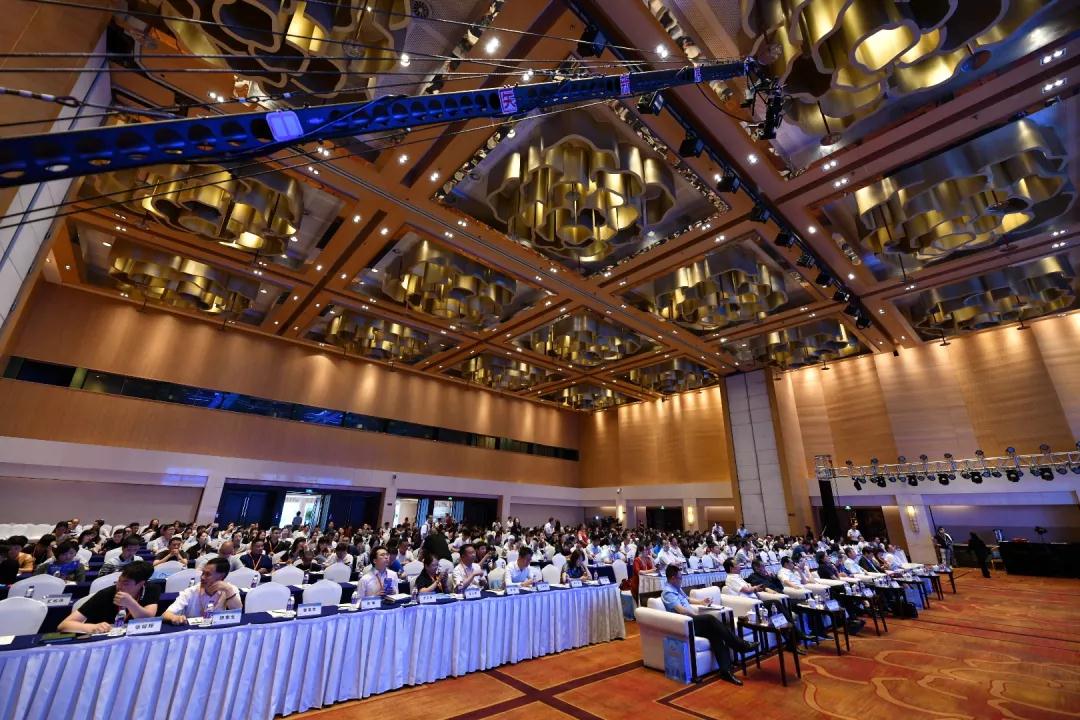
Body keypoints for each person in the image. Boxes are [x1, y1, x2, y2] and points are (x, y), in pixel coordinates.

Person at [660, 565, 755, 685]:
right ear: (673, 578)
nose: (681, 580)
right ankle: (739, 644)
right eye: (680, 578)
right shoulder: (668, 592)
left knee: (716, 634)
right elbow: (681, 610)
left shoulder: (676, 588)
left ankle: (726, 671)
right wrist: (695, 614)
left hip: (692, 621)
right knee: (710, 619)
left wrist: (701, 602)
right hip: (685, 624)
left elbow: (687, 599)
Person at [723, 559, 807, 653]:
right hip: (750, 607)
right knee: (775, 603)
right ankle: (797, 634)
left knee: (778, 613)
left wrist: (756, 588)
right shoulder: (731, 578)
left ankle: (792, 641)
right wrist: (756, 588)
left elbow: (750, 589)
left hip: (756, 603)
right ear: (731, 568)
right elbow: (748, 590)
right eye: (737, 564)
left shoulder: (737, 577)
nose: (740, 565)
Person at [58, 561, 159, 633]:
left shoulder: (151, 589)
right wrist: (92, 627)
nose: (119, 586)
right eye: (119, 581)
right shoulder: (105, 594)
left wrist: (131, 604)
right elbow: (64, 625)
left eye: (125, 583)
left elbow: (148, 618)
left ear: (141, 584)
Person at [162, 558, 242, 623]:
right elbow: (166, 614)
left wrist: (228, 590)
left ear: (221, 577)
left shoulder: (229, 589)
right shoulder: (191, 591)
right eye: (203, 573)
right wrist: (174, 617)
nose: (202, 577)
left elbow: (238, 613)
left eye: (208, 574)